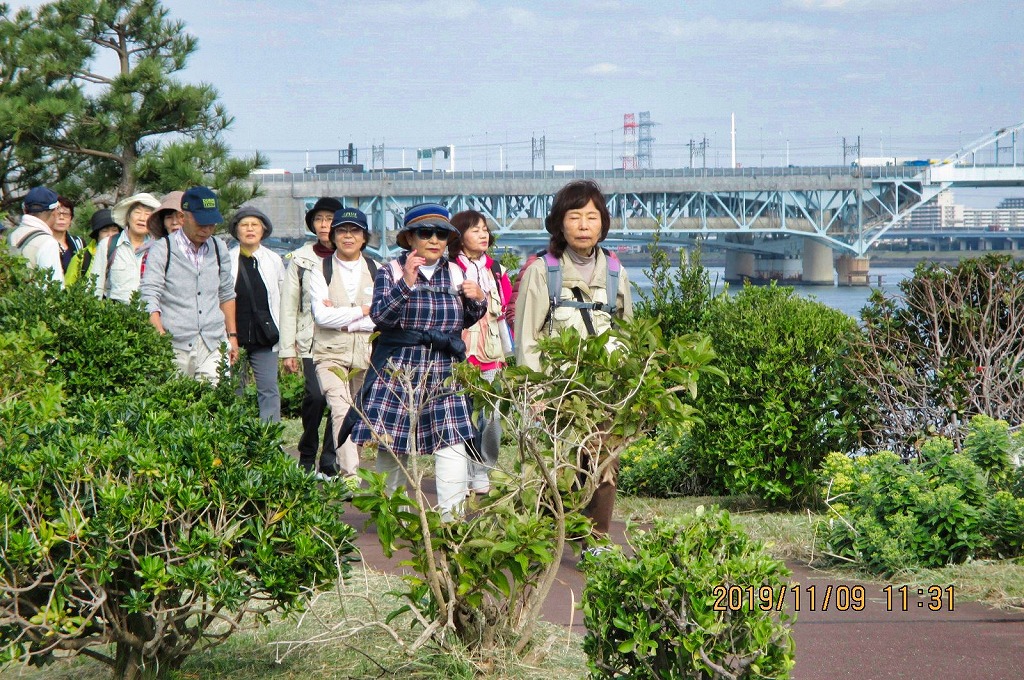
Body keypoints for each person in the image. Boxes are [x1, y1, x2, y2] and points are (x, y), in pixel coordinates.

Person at [513, 180, 633, 553]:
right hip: (556, 391)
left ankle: (595, 542)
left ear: (603, 224)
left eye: (592, 217)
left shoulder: (615, 272)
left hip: (604, 391)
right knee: (559, 469)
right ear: (560, 223)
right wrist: (534, 393)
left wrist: (630, 386)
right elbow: (527, 338)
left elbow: (628, 331)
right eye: (575, 216)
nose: (584, 225)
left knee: (603, 460)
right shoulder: (541, 272)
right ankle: (550, 536)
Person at [348, 203, 486, 519]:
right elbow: (381, 317)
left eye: (441, 233)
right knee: (391, 447)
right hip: (399, 369)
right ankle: (388, 514)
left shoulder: (455, 272)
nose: (435, 239)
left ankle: (452, 519)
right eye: (426, 233)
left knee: (452, 443)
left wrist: (479, 299)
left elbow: (463, 320)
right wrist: (406, 283)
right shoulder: (391, 271)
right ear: (411, 238)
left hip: (444, 368)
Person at [307, 207, 379, 481]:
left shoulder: (377, 269)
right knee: (341, 409)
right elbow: (321, 316)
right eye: (342, 231)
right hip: (329, 355)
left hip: (366, 354)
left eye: (355, 231)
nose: (348, 236)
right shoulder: (320, 269)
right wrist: (362, 311)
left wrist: (343, 317)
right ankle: (351, 476)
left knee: (359, 414)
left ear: (364, 237)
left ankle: (349, 469)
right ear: (333, 236)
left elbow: (382, 317)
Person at [140, 186, 238, 381]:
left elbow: (226, 293)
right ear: (184, 218)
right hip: (174, 344)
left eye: (212, 224)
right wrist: (158, 334)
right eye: (201, 223)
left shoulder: (219, 248)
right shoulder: (163, 248)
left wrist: (232, 336)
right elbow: (150, 294)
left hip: (213, 342)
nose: (207, 229)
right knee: (175, 405)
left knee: (213, 404)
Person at [448, 210, 513, 495]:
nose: (483, 234)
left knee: (491, 417)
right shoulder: (449, 268)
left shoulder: (496, 270)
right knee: (460, 414)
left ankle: (483, 468)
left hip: (491, 353)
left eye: (485, 229)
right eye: (475, 230)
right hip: (459, 353)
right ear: (460, 235)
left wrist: (483, 297)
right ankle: (461, 470)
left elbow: (505, 304)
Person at [279, 197, 342, 474]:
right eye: (319, 219)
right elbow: (289, 306)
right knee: (315, 397)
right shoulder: (301, 259)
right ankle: (307, 454)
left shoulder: (351, 256)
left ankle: (329, 460)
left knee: (338, 402)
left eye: (330, 219)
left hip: (342, 340)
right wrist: (287, 349)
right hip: (309, 341)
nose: (324, 225)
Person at [228, 206, 285, 422]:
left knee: (269, 390)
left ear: (263, 230)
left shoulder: (273, 260)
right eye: (244, 225)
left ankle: (270, 441)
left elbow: (282, 297)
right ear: (237, 230)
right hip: (234, 337)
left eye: (255, 225)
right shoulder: (227, 259)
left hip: (265, 337)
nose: (249, 229)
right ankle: (235, 440)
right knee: (235, 391)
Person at [91, 192, 160, 302]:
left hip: (148, 314)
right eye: (137, 213)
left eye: (148, 214)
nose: (142, 218)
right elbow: (95, 286)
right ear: (128, 217)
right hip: (115, 314)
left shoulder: (159, 247)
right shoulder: (108, 244)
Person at [7, 186, 64, 286]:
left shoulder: (11, 236)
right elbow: (53, 287)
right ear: (54, 211)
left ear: (25, 210)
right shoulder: (47, 242)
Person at [65, 208, 121, 287]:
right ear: (97, 235)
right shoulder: (81, 257)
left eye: (114, 230)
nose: (110, 235)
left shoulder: (127, 253)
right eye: (105, 231)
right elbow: (69, 287)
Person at [51, 196, 83, 273]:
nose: (61, 217)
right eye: (58, 214)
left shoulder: (78, 243)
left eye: (65, 214)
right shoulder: (43, 242)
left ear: (71, 218)